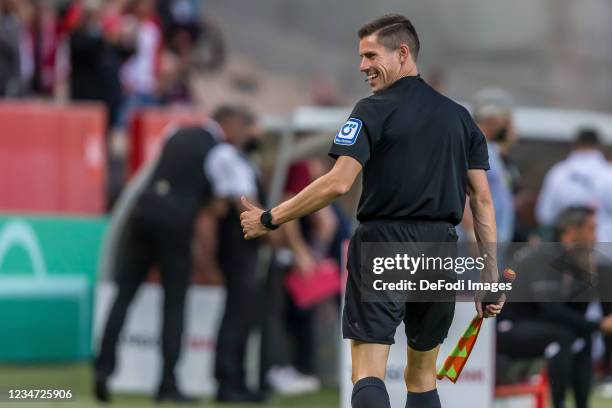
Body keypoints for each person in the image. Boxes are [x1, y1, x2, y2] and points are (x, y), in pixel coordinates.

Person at [240, 14, 504, 408]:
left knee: (367, 372)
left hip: (385, 243)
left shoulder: (372, 109)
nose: (362, 66)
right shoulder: (460, 118)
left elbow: (337, 182)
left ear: (402, 53)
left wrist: (269, 218)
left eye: (370, 55)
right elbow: (481, 200)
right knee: (422, 378)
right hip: (440, 248)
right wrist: (490, 275)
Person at [94, 105, 258, 403]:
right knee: (174, 303)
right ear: (229, 123)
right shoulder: (220, 152)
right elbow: (222, 204)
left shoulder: (175, 133)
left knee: (124, 294)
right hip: (176, 225)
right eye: (241, 128)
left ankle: (103, 368)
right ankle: (167, 384)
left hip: (142, 215)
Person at [497, 206, 612, 408]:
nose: (596, 236)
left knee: (582, 335)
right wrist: (599, 325)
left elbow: (576, 312)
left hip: (538, 324)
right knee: (563, 335)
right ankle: (559, 403)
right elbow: (552, 311)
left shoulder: (575, 258)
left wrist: (589, 279)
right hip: (508, 326)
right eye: (591, 229)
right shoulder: (545, 254)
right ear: (571, 231)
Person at [460, 88, 516, 244]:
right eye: (505, 117)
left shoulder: (486, 148)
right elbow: (461, 192)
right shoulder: (471, 146)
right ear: (493, 118)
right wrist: (473, 233)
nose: (507, 123)